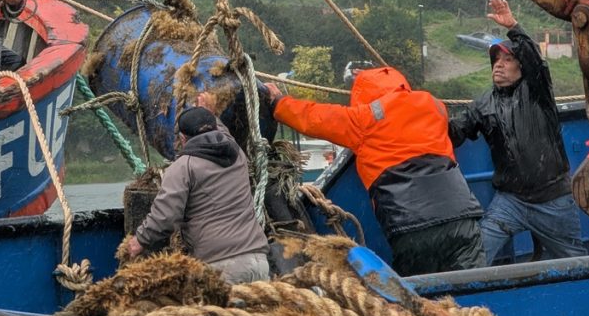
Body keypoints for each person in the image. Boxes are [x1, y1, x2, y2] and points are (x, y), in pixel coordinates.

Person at [265, 66, 485, 276]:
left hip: (411, 226)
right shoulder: (433, 105)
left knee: (422, 302)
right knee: (474, 293)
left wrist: (278, 103)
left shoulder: (364, 119)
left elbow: (314, 118)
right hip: (462, 218)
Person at [449, 0, 585, 263]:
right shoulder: (483, 103)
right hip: (510, 202)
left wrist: (513, 26)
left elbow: (535, 59)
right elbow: (455, 131)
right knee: (474, 260)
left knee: (576, 264)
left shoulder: (536, 90)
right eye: (495, 60)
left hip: (553, 200)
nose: (498, 64)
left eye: (507, 59)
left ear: (521, 67)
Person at [127, 106, 270, 284]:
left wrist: (140, 240)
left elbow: (166, 215)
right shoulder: (237, 153)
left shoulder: (183, 167)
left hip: (222, 268)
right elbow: (221, 131)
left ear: (182, 138)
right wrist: (208, 107)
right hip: (258, 261)